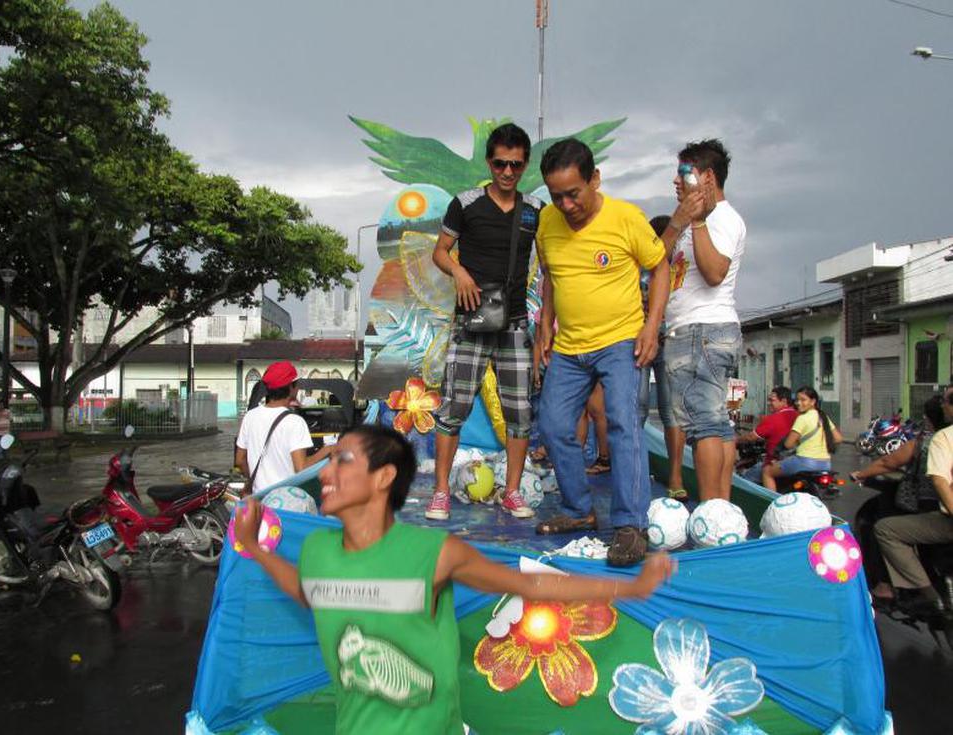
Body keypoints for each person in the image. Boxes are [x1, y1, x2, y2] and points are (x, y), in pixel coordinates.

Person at [234, 424, 674, 734]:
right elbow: (306, 593)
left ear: (384, 477)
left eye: (342, 460)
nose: (325, 473)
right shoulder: (318, 551)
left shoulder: (433, 553)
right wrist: (255, 548)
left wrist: (630, 587)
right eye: (328, 461)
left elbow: (530, 586)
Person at [534, 138, 669, 566]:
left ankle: (631, 525)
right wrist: (545, 326)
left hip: (620, 340)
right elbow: (551, 277)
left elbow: (660, 267)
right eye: (556, 196)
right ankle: (579, 509)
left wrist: (651, 326)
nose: (566, 205)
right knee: (553, 424)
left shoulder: (626, 218)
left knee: (623, 424)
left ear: (595, 179)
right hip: (570, 345)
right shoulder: (547, 222)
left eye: (573, 193)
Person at [425, 123, 542, 522]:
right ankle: (441, 492)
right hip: (472, 322)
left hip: (514, 324)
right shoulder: (466, 203)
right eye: (500, 163)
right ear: (489, 162)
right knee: (454, 407)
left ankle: (512, 491)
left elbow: (550, 264)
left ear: (525, 165)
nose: (507, 172)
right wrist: (459, 272)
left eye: (516, 165)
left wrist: (547, 328)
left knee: (519, 413)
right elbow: (440, 252)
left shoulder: (534, 210)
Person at [657, 139, 745, 502]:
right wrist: (683, 221)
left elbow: (714, 273)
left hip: (702, 332)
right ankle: (721, 508)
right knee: (717, 423)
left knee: (705, 425)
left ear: (708, 177)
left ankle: (712, 509)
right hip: (700, 332)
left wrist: (696, 221)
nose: (676, 181)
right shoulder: (697, 221)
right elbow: (655, 259)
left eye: (684, 173)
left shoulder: (720, 218)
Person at [851, 395, 948, 603]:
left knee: (884, 528)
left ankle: (890, 585)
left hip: (929, 508)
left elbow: (887, 463)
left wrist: (860, 474)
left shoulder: (927, 442)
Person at [872, 387, 953, 617]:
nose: (943, 406)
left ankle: (929, 596)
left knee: (885, 529)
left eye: (946, 401)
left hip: (938, 515)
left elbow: (939, 480)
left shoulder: (940, 439)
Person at [235, 361, 332, 511]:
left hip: (260, 502)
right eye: (296, 384)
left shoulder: (250, 417)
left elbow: (240, 460)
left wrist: (252, 483)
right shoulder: (295, 422)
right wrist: (328, 450)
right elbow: (301, 468)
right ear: (291, 388)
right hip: (287, 503)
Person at [639, 215, 687, 500]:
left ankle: (675, 477)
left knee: (671, 411)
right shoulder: (640, 269)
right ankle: (638, 472)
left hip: (671, 342)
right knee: (638, 407)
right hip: (642, 342)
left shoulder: (680, 270)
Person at [761, 386, 843, 490]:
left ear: (813, 401)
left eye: (803, 400)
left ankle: (773, 499)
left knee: (767, 471)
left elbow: (788, 444)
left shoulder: (802, 418)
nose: (798, 403)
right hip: (825, 464)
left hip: (804, 462)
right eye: (797, 400)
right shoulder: (823, 416)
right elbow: (838, 438)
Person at [735, 386, 797, 484]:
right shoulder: (798, 416)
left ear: (784, 401)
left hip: (776, 461)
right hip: (794, 460)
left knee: (745, 479)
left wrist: (735, 440)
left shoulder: (774, 418)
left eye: (772, 400)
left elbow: (751, 437)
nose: (769, 403)